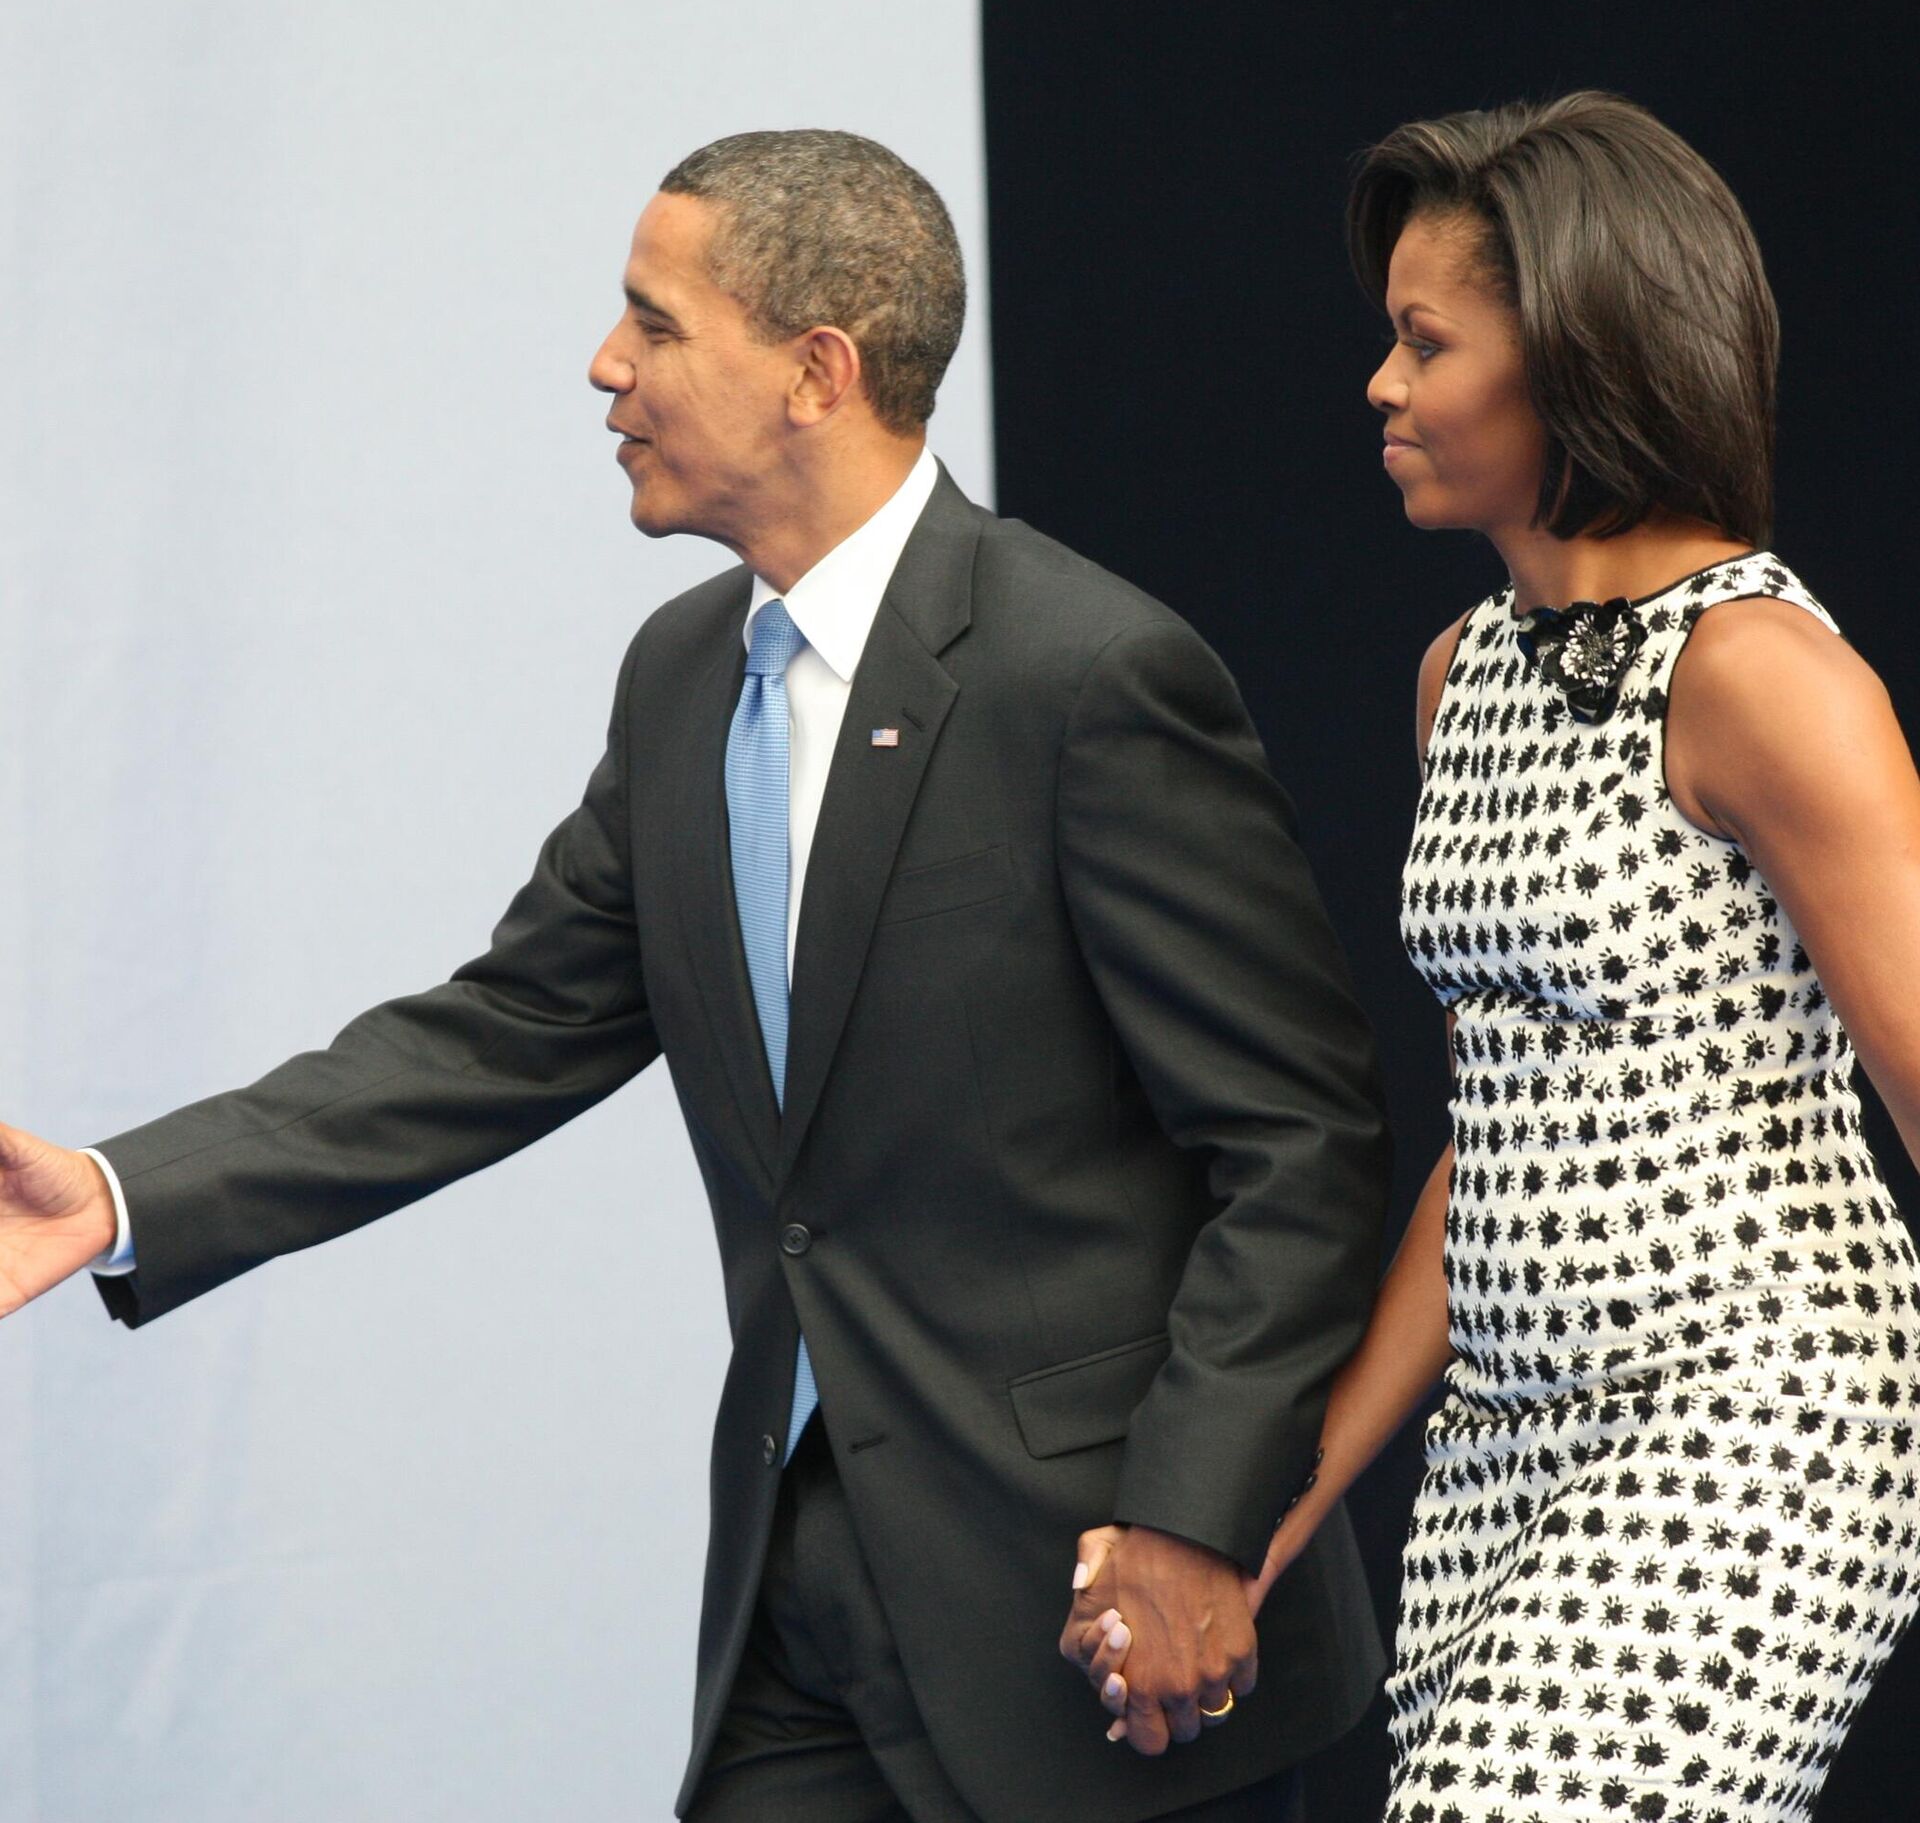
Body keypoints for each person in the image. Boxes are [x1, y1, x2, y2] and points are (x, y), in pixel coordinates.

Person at [0, 129, 1393, 1821]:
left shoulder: (1089, 675)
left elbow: (1300, 1147)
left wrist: (1193, 1517)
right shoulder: (682, 677)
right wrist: (116, 1196)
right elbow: (506, 1029)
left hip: (1101, 1624)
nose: (609, 366)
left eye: (655, 324)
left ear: (818, 371)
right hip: (801, 1608)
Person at [1068, 91, 1920, 1818]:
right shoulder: (1464, 672)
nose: (1381, 386)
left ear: (1582, 357)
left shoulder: (1760, 674)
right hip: (1505, 1455)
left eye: (1425, 341)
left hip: (1755, 1419)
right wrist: (1261, 1521)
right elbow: (1503, 1142)